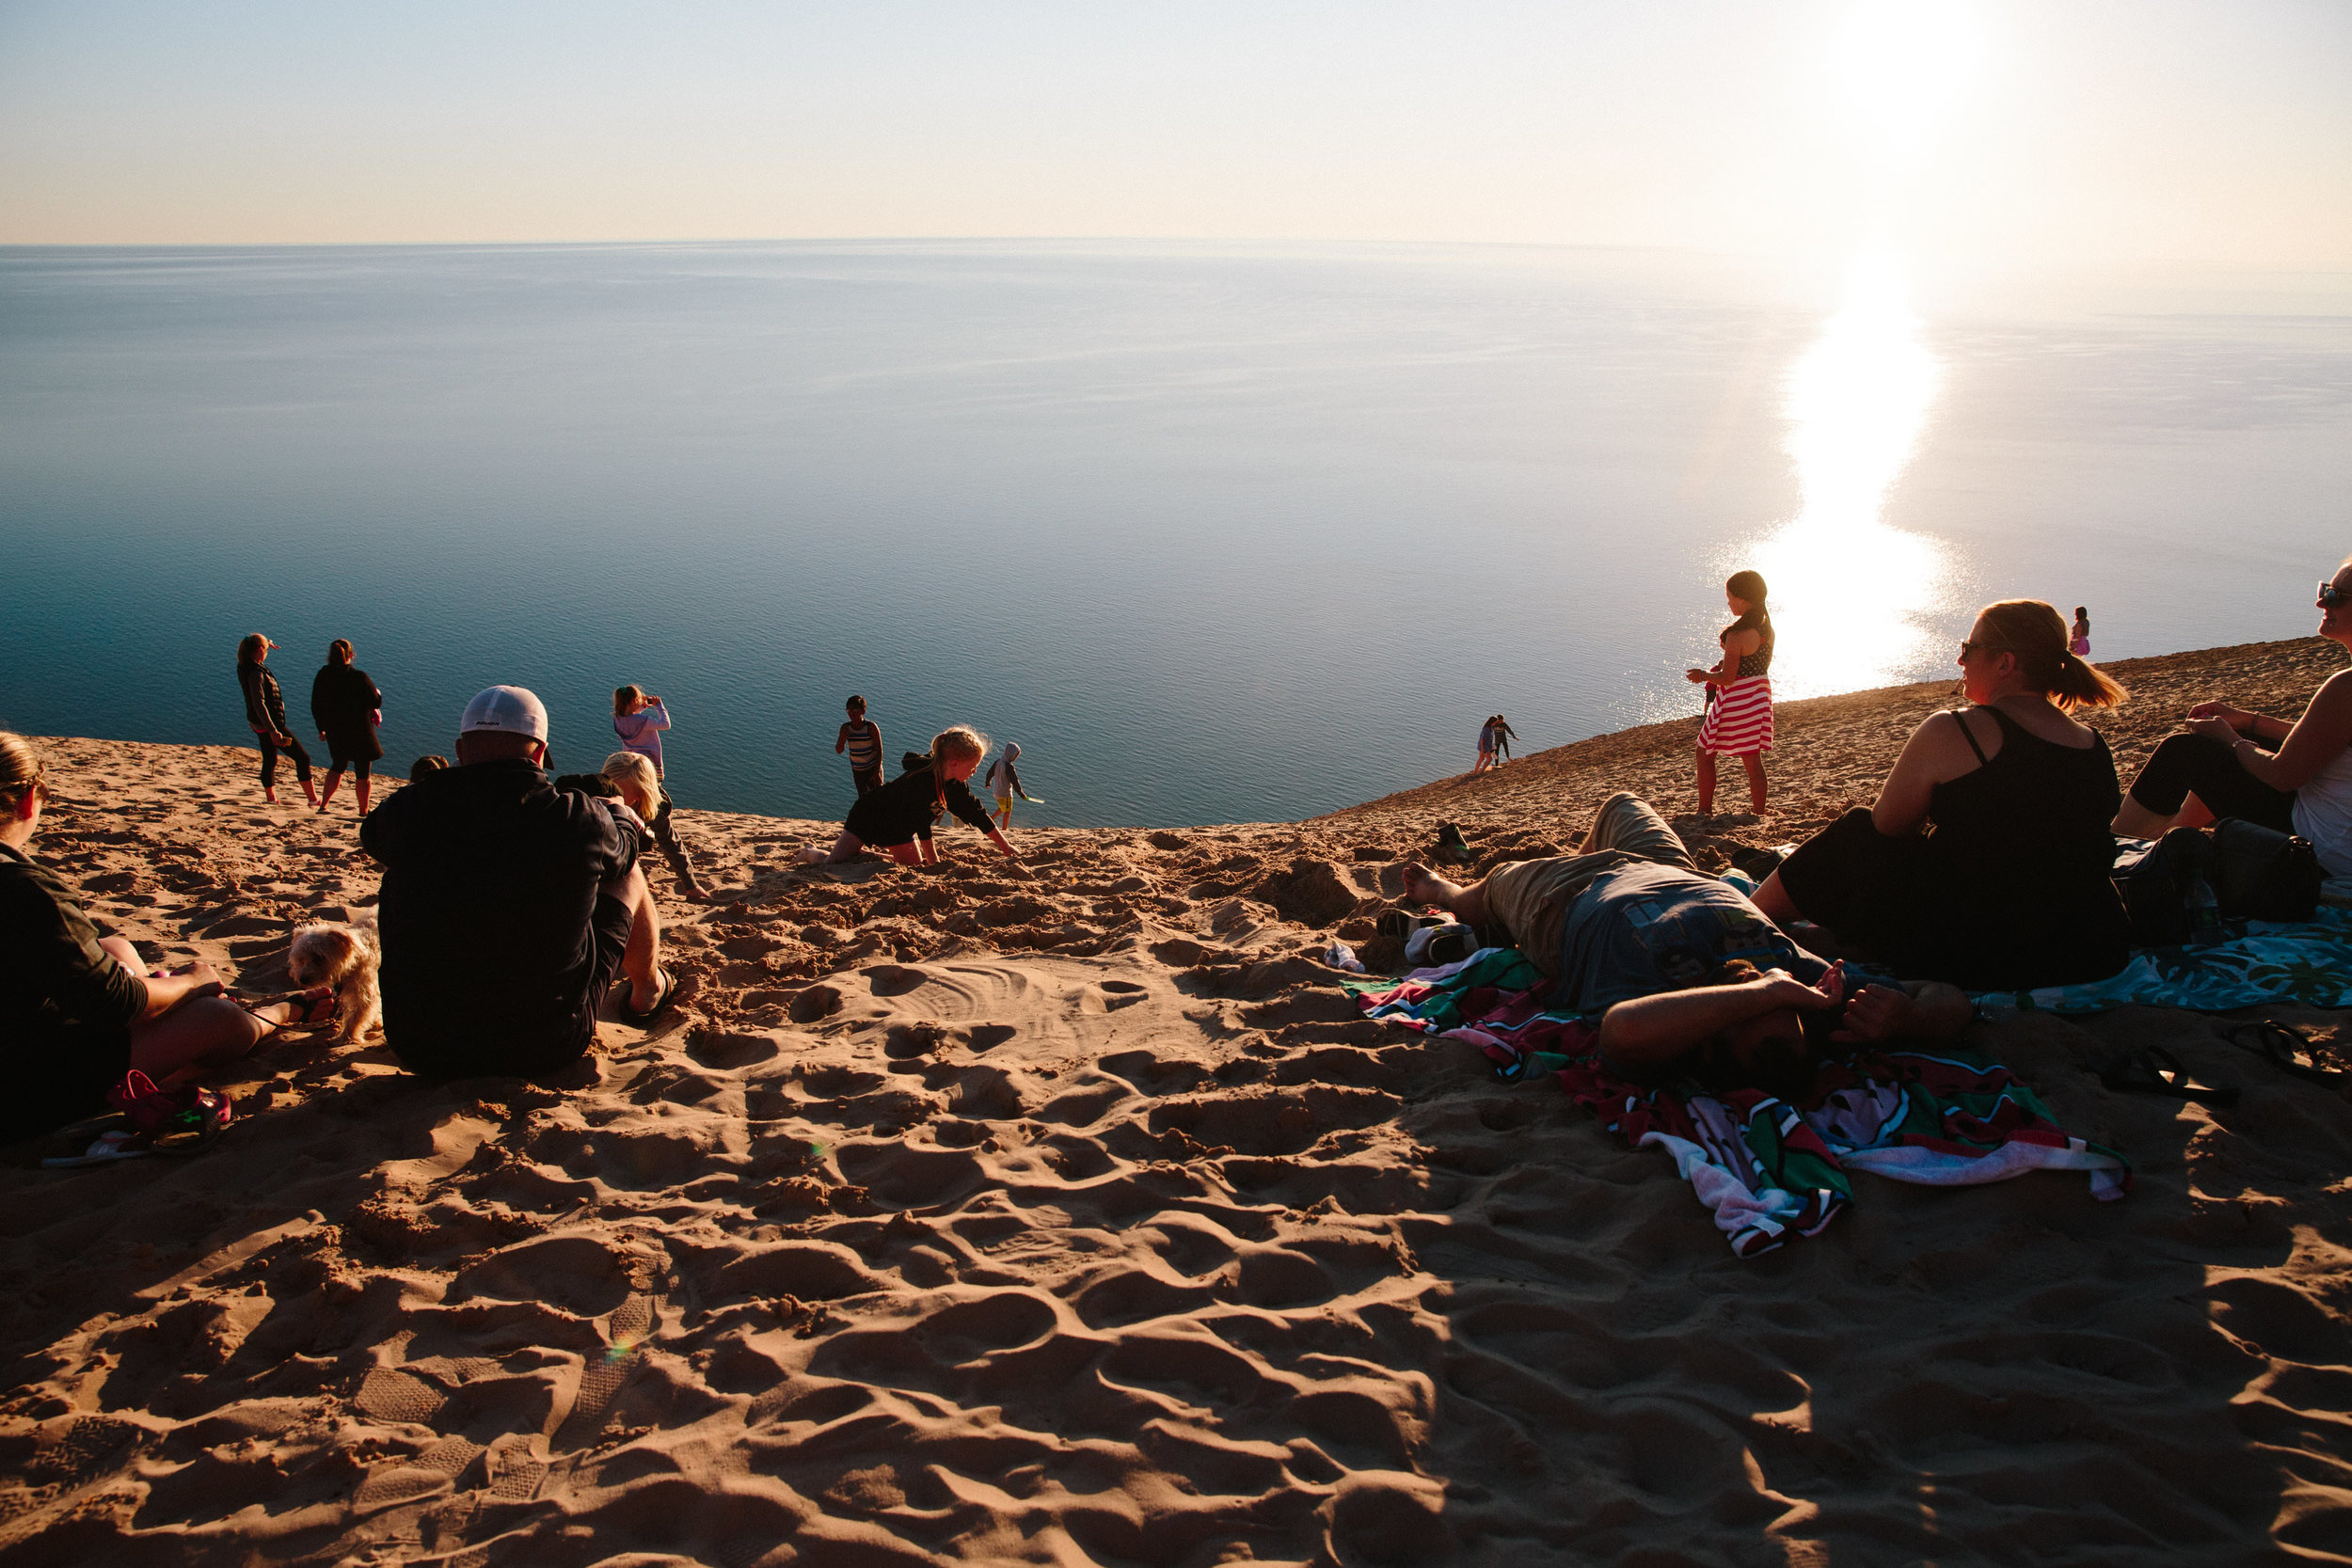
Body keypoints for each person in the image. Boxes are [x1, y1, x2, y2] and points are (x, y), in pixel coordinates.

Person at [1397, 791, 1969, 1092]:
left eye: (1755, 1005)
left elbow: (1620, 1033)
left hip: (1568, 900)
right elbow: (1950, 998)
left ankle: (1444, 892)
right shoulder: (1811, 994)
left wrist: (1762, 994)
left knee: (1494, 884)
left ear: (1714, 1037)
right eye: (1783, 1004)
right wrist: (1908, 1021)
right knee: (1622, 802)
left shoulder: (1668, 1014)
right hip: (1677, 872)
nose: (1767, 983)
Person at [1751, 599, 2132, 991]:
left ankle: (1749, 917)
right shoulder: (2090, 743)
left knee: (1858, 830)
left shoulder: (1957, 730)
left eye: (1969, 649)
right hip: (2092, 949)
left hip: (1986, 954)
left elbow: (1888, 827)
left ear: (2005, 663)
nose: (1959, 660)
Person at [0, 733, 325, 1144]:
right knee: (215, 1016)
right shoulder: (24, 890)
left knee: (114, 947)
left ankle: (170, 1023)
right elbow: (115, 1004)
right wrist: (191, 980)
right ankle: (282, 1014)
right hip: (26, 1086)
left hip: (23, 1033)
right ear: (28, 800)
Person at [361, 686, 675, 1083]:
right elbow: (627, 851)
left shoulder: (407, 813)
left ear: (459, 750)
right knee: (626, 873)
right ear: (541, 752)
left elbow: (373, 836)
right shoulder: (576, 819)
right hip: (546, 1043)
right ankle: (647, 989)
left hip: (420, 1045)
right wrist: (619, 813)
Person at [2112, 561, 2352, 877]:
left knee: (2184, 752)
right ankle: (2165, 837)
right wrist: (2248, 721)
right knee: (2245, 746)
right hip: (2338, 830)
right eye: (2325, 590)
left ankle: (2110, 855)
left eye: (2335, 596)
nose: (2321, 602)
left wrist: (2230, 737)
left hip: (2325, 850)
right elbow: (2325, 738)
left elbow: (2283, 775)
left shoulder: (2345, 687)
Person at [798, 726, 1024, 867]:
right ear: (954, 763)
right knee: (831, 863)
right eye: (973, 766)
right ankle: (809, 852)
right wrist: (933, 860)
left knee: (912, 866)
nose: (975, 771)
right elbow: (921, 825)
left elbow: (978, 815)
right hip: (869, 814)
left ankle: (863, 853)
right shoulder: (920, 781)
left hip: (898, 826)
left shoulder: (955, 786)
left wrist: (1005, 846)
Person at [555, 751, 711, 901]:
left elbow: (671, 845)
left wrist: (691, 885)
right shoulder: (592, 796)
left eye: (620, 793)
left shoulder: (652, 810)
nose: (613, 795)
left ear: (640, 794)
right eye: (610, 786)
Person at [1687, 570, 1773, 816]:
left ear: (1743, 600)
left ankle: (1704, 811)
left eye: (1730, 597)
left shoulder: (1737, 636)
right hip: (1759, 696)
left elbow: (1728, 678)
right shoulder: (1766, 628)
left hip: (1737, 698)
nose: (1728, 602)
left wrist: (1702, 675)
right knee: (1752, 760)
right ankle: (1759, 812)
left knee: (1704, 752)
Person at [237, 633, 319, 809]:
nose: (267, 651)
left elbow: (253, 643)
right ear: (259, 650)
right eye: (265, 648)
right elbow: (259, 704)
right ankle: (313, 800)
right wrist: (273, 730)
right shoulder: (255, 674)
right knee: (302, 758)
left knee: (270, 759)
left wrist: (267, 643)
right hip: (270, 724)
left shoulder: (244, 664)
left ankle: (271, 798)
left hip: (258, 724)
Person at [311, 639, 385, 816]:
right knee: (362, 773)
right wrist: (377, 693)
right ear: (351, 655)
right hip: (360, 730)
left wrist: (321, 728)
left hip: (335, 730)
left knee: (337, 766)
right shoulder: (359, 677)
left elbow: (315, 704)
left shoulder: (324, 674)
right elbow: (376, 702)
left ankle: (324, 805)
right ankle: (363, 811)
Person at [612, 686, 674, 775]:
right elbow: (666, 724)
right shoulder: (644, 721)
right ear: (634, 701)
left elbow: (631, 718)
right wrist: (659, 706)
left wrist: (643, 705)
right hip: (648, 761)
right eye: (639, 700)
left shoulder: (617, 718)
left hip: (629, 760)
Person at [836, 695, 883, 796]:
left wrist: (877, 773)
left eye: (855, 710)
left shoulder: (870, 727)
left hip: (872, 769)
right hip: (858, 771)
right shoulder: (846, 728)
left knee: (878, 798)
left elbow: (879, 751)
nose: (851, 714)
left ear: (863, 711)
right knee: (863, 800)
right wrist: (842, 738)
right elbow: (839, 750)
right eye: (849, 711)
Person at [987, 742, 1035, 829]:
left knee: (1003, 807)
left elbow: (989, 773)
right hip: (1005, 793)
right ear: (1011, 755)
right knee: (1008, 810)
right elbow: (1015, 782)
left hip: (997, 792)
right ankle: (1004, 829)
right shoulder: (1009, 767)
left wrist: (987, 783)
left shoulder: (998, 762)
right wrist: (1021, 794)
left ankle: (990, 819)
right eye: (1015, 756)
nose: (1015, 758)